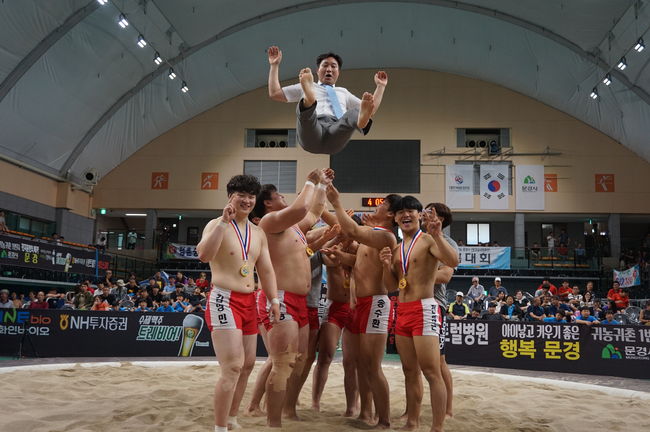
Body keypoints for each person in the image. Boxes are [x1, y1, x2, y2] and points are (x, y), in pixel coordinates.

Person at [197, 174, 280, 432]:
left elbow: (266, 269)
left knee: (247, 364)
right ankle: (220, 427)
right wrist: (224, 222)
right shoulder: (216, 224)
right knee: (232, 366)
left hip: (249, 300)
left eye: (251, 196)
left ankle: (232, 418)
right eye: (241, 195)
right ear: (230, 197)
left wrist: (274, 299)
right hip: (224, 299)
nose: (246, 200)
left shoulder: (258, 232)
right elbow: (203, 255)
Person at [253, 169, 329, 427]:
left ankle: (282, 409)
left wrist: (322, 185)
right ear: (268, 202)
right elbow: (301, 209)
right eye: (280, 196)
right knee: (282, 362)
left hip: (299, 301)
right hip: (281, 298)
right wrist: (310, 181)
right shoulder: (268, 222)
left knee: (298, 360)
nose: (284, 197)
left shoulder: (293, 228)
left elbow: (315, 212)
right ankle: (273, 422)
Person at [380, 196, 459, 432]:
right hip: (402, 311)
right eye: (400, 212)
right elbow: (391, 286)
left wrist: (438, 234)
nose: (405, 215)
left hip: (425, 309)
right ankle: (412, 422)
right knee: (409, 371)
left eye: (410, 211)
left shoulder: (428, 240)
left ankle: (437, 427)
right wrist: (385, 265)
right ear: (395, 218)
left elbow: (453, 260)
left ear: (419, 215)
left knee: (432, 372)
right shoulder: (396, 249)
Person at [326, 184, 401, 428]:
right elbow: (361, 261)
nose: (377, 206)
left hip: (375, 303)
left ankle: (384, 420)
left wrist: (335, 202)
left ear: (390, 214)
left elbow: (351, 230)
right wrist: (342, 257)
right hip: (357, 304)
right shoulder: (373, 233)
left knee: (371, 366)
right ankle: (365, 413)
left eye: (382, 204)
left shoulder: (386, 236)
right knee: (357, 363)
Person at [267, 46, 387, 155]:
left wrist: (380, 86)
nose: (329, 69)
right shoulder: (307, 85)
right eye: (325, 65)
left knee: (355, 112)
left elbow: (371, 110)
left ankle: (360, 122)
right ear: (318, 70)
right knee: (306, 113)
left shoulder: (343, 92)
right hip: (312, 130)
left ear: (338, 73)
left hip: (336, 131)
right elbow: (275, 93)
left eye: (333, 66)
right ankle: (309, 100)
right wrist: (274, 65)